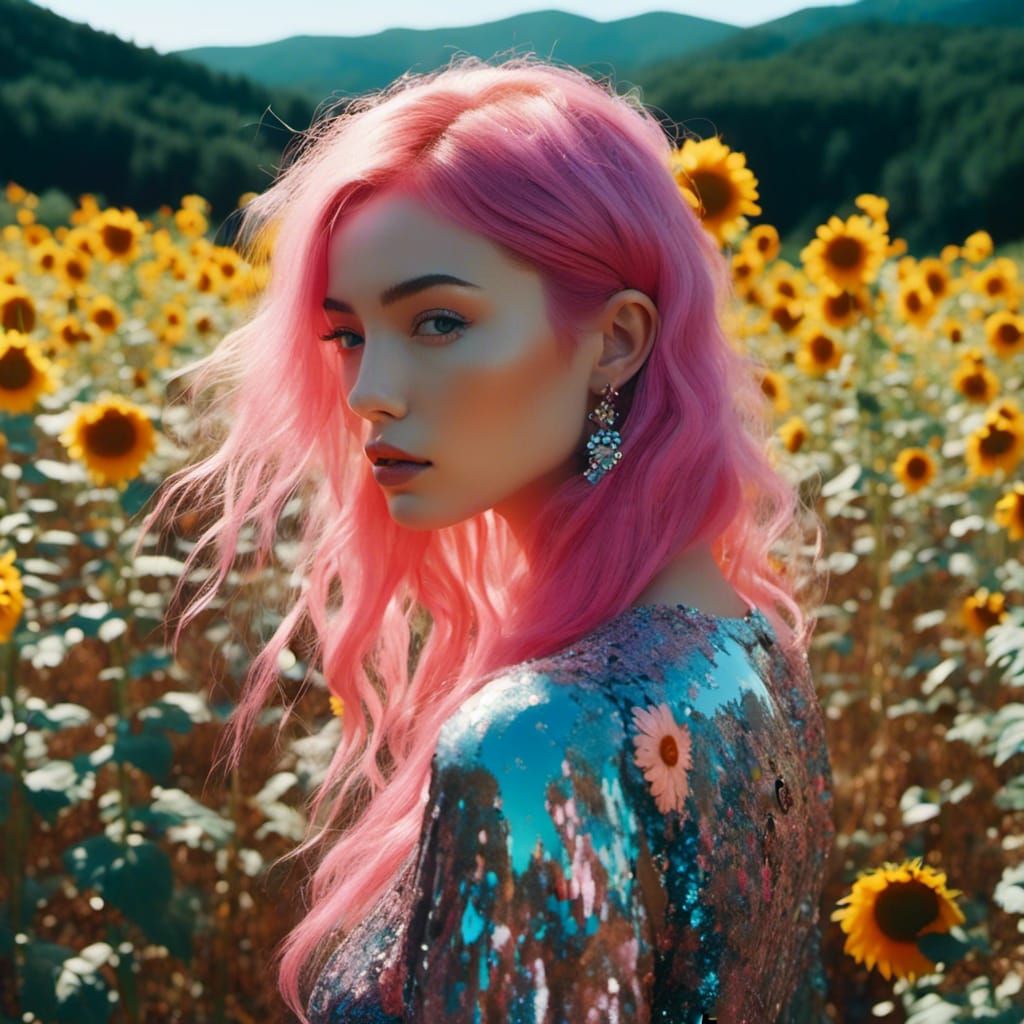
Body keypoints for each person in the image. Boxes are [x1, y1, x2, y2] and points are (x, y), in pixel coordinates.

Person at [137, 53, 834, 1023]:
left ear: (616, 341)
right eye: (347, 334)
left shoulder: (540, 737)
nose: (369, 392)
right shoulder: (757, 651)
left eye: (436, 321)